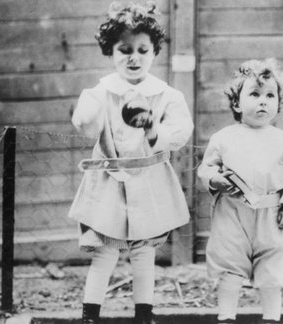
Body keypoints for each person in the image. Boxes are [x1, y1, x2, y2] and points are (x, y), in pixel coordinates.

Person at [68, 2, 193, 324]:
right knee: (105, 251)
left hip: (149, 179)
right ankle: (90, 315)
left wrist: (154, 127)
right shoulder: (101, 92)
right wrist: (87, 112)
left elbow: (180, 134)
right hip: (110, 180)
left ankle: (144, 315)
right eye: (125, 50)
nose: (134, 57)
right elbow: (85, 126)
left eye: (142, 49)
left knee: (143, 251)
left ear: (154, 52)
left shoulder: (166, 95)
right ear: (111, 51)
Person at [197, 59, 283, 324]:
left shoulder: (282, 141)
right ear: (237, 103)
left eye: (270, 95)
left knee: (272, 270)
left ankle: (271, 318)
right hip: (233, 212)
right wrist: (215, 180)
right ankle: (226, 317)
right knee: (230, 267)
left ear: (278, 103)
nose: (263, 101)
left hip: (271, 214)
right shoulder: (224, 138)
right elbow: (206, 168)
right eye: (255, 94)